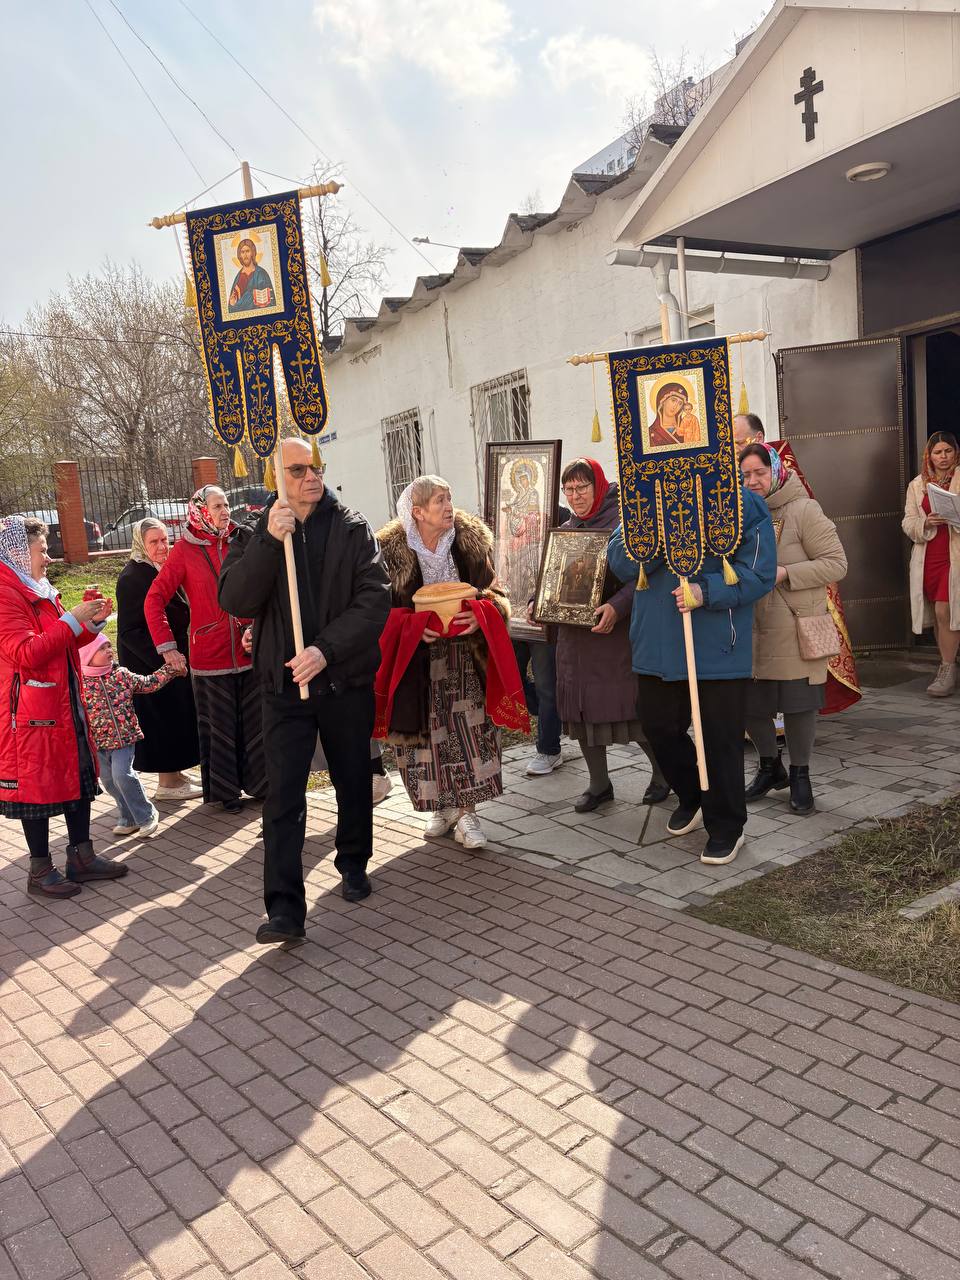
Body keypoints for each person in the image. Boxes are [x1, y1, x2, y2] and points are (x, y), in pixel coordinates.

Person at [219, 440, 391, 945]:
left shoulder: (352, 528)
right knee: (284, 796)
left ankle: (353, 861)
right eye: (297, 470)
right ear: (277, 476)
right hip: (283, 686)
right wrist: (270, 542)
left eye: (316, 467)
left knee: (352, 776)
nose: (311, 477)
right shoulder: (253, 532)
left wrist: (325, 650)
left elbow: (373, 600)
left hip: (343, 681)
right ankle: (285, 911)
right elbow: (235, 598)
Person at [608, 485, 777, 865]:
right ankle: (692, 792)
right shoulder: (642, 498)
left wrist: (707, 591)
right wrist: (653, 530)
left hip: (717, 642)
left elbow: (759, 572)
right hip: (656, 641)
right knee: (658, 725)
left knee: (720, 738)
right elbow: (619, 563)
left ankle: (727, 824)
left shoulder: (742, 501)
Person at [376, 476, 511, 850]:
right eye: (439, 500)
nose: (448, 505)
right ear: (417, 511)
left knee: (469, 732)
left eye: (449, 497)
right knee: (427, 739)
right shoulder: (391, 552)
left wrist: (483, 614)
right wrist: (412, 630)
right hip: (416, 662)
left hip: (465, 657)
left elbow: (497, 592)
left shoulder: (469, 543)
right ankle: (444, 805)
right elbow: (377, 612)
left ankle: (468, 813)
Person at [0, 515, 127, 898]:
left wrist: (91, 623)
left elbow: (62, 642)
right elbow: (24, 652)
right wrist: (73, 619)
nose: (49, 559)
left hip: (62, 697)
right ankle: (40, 871)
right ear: (19, 553)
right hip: (28, 709)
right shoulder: (6, 593)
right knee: (33, 786)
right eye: (42, 551)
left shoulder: (36, 586)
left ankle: (82, 856)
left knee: (77, 773)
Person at [547, 458, 669, 812]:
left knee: (631, 713)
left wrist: (618, 606)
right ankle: (599, 783)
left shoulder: (625, 524)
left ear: (598, 486)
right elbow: (555, 579)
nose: (575, 496)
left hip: (614, 639)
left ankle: (664, 773)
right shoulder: (566, 529)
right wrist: (540, 602)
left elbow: (645, 576)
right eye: (569, 490)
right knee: (583, 715)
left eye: (582, 487)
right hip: (575, 642)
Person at [740, 443, 847, 814]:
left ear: (776, 471)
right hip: (752, 626)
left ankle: (801, 774)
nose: (752, 481)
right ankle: (770, 767)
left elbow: (836, 563)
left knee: (799, 705)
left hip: (795, 626)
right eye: (746, 474)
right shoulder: (737, 513)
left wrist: (786, 573)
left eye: (759, 473)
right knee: (751, 704)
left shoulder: (804, 509)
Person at [145, 485, 265, 813]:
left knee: (256, 723)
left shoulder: (242, 540)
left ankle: (260, 784)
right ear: (200, 510)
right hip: (209, 657)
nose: (225, 511)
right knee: (222, 727)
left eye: (226, 504)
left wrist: (258, 624)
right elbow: (154, 599)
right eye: (217, 506)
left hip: (249, 648)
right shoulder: (183, 551)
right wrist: (168, 648)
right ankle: (227, 793)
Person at [116, 519, 201, 800]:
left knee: (176, 716)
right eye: (154, 542)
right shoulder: (134, 577)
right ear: (141, 544)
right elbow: (130, 631)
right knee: (163, 719)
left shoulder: (157, 569)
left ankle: (175, 774)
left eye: (165, 539)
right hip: (151, 664)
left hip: (170, 660)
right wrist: (163, 661)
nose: (162, 546)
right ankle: (168, 783)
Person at [78, 633, 183, 837]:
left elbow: (148, 683)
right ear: (87, 655)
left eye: (109, 646)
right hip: (98, 743)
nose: (109, 650)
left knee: (122, 775)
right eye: (102, 648)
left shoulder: (121, 675)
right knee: (109, 781)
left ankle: (146, 815)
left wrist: (170, 669)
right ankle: (128, 817)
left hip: (124, 738)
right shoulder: (80, 683)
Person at [903, 431, 960, 697]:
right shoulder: (917, 484)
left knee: (945, 611)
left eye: (948, 451)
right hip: (930, 557)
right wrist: (926, 522)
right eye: (938, 452)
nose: (944, 457)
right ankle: (948, 664)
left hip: (955, 555)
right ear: (930, 455)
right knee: (940, 617)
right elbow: (908, 521)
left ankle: (947, 670)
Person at [228, 238, 275, 312]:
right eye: (242, 252)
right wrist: (232, 304)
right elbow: (231, 308)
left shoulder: (261, 273)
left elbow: (271, 303)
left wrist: (250, 296)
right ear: (239, 255)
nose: (245, 255)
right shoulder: (238, 277)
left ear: (252, 253)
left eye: (247, 251)